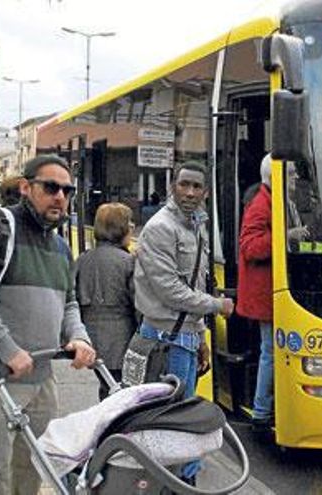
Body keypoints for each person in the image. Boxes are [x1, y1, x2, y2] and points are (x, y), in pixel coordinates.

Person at [0, 154, 96, 494]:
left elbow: (69, 303)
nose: (60, 196)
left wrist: (79, 337)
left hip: (42, 380)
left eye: (67, 190)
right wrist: (8, 349)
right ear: (25, 188)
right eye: (50, 187)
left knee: (32, 468)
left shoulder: (61, 246)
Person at [133, 160, 234, 484]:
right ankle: (175, 485)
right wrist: (216, 306)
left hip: (184, 339)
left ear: (205, 192)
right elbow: (170, 291)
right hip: (165, 341)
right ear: (172, 186)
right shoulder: (161, 228)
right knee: (173, 425)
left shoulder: (195, 226)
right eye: (184, 184)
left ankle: (182, 483)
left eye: (196, 186)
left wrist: (201, 333)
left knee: (183, 421)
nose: (190, 192)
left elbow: (196, 282)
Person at [236, 155, 307, 428]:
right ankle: (262, 412)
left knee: (273, 351)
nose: (296, 179)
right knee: (271, 352)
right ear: (275, 176)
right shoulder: (260, 204)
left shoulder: (278, 201)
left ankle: (268, 407)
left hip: (275, 291)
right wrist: (287, 237)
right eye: (291, 175)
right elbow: (250, 247)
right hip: (266, 293)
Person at [76, 202, 137, 400]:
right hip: (122, 339)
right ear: (121, 228)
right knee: (122, 394)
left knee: (106, 389)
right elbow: (139, 305)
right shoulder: (128, 262)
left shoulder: (83, 259)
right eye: (130, 224)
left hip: (91, 337)